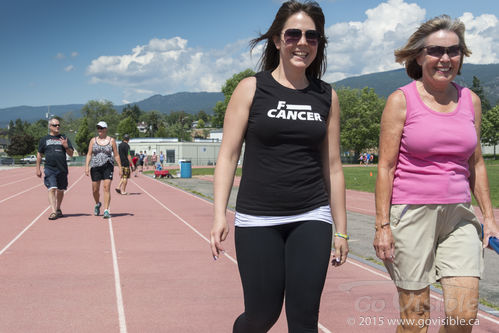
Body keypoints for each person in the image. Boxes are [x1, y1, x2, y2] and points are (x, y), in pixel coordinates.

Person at [210, 1, 348, 331]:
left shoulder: (327, 96)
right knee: (262, 315)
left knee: (304, 320)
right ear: (277, 40)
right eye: (294, 34)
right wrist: (219, 214)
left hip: (311, 215)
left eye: (312, 36)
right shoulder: (251, 88)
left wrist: (341, 229)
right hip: (257, 218)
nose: (303, 42)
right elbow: (228, 156)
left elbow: (333, 166)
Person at [374, 15, 499, 333]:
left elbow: (476, 164)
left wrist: (490, 217)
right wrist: (382, 226)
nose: (445, 59)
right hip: (411, 214)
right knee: (415, 320)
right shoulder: (401, 100)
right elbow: (386, 167)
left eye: (454, 51)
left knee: (464, 315)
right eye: (436, 51)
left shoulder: (470, 100)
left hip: (459, 217)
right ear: (418, 55)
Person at [36, 118, 74, 220]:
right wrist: (37, 168)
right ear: (50, 127)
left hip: (62, 168)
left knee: (60, 190)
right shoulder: (44, 139)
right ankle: (53, 211)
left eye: (58, 125)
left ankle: (58, 208)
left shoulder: (64, 138)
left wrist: (66, 146)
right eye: (54, 125)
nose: (57, 127)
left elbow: (71, 154)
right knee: (52, 188)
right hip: (49, 168)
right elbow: (39, 154)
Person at [85, 121, 122, 219]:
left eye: (101, 128)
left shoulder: (112, 141)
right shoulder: (93, 140)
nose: (99, 130)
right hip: (95, 166)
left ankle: (106, 210)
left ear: (106, 129)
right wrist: (86, 167)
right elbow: (89, 154)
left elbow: (116, 155)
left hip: (108, 165)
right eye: (98, 128)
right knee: (95, 190)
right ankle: (97, 204)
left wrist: (120, 168)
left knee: (106, 187)